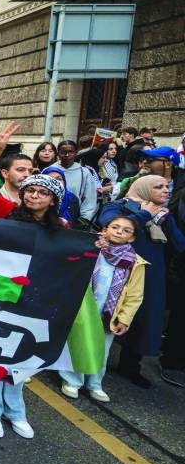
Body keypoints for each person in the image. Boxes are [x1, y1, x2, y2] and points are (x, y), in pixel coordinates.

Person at [0, 122, 69, 439]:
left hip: (36, 297)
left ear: (52, 200)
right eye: (31, 190)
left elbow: (73, 257)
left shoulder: (63, 228)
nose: (35, 195)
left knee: (23, 353)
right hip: (2, 291)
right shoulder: (5, 210)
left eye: (42, 192)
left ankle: (16, 410)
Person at [101, 176, 185, 387]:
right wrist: (145, 214)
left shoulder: (164, 214)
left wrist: (164, 219)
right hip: (115, 270)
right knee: (105, 314)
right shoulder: (119, 206)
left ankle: (130, 366)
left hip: (150, 273)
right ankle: (90, 364)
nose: (166, 190)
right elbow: (108, 225)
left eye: (167, 186)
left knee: (143, 317)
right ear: (144, 188)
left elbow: (179, 244)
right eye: (159, 187)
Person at [58, 214, 146, 402]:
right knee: (77, 343)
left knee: (102, 349)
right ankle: (72, 381)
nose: (119, 232)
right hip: (84, 306)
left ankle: (95, 384)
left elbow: (135, 295)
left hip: (110, 311)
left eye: (126, 230)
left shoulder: (135, 262)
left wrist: (124, 318)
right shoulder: (92, 248)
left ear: (132, 238)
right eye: (115, 227)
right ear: (105, 230)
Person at [57, 140, 99, 224]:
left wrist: (85, 218)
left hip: (74, 216)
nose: (67, 155)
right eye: (63, 152)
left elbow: (89, 197)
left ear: (76, 153)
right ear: (58, 153)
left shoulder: (84, 172)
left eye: (70, 152)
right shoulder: (50, 170)